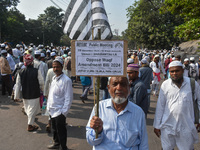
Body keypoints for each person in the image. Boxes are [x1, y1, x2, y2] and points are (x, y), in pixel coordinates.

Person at [86, 76, 149, 149]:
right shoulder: (99, 108)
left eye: (123, 84)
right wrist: (97, 132)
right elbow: (91, 141)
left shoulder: (138, 112)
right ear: (109, 88)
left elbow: (143, 144)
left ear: (129, 88)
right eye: (115, 84)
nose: (119, 88)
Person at [153, 61, 200, 150]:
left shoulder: (192, 84)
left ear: (182, 70)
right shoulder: (165, 85)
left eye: (177, 71)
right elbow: (160, 106)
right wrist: (157, 125)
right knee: (167, 148)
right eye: (172, 71)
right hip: (167, 125)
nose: (174, 74)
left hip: (186, 125)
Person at [47, 57, 73, 150]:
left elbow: (69, 98)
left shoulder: (66, 80)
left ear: (62, 67)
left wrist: (63, 113)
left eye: (57, 67)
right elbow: (51, 94)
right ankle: (56, 144)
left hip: (60, 111)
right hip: (52, 109)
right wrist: (48, 107)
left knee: (61, 131)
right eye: (54, 67)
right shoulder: (54, 78)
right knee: (54, 130)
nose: (55, 69)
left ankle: (63, 147)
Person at [14, 54, 44, 131]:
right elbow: (41, 83)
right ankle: (30, 125)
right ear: (32, 63)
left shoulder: (20, 72)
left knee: (29, 107)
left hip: (25, 94)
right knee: (31, 109)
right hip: (34, 93)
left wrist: (16, 96)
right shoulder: (36, 71)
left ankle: (31, 118)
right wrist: (44, 91)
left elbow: (17, 85)